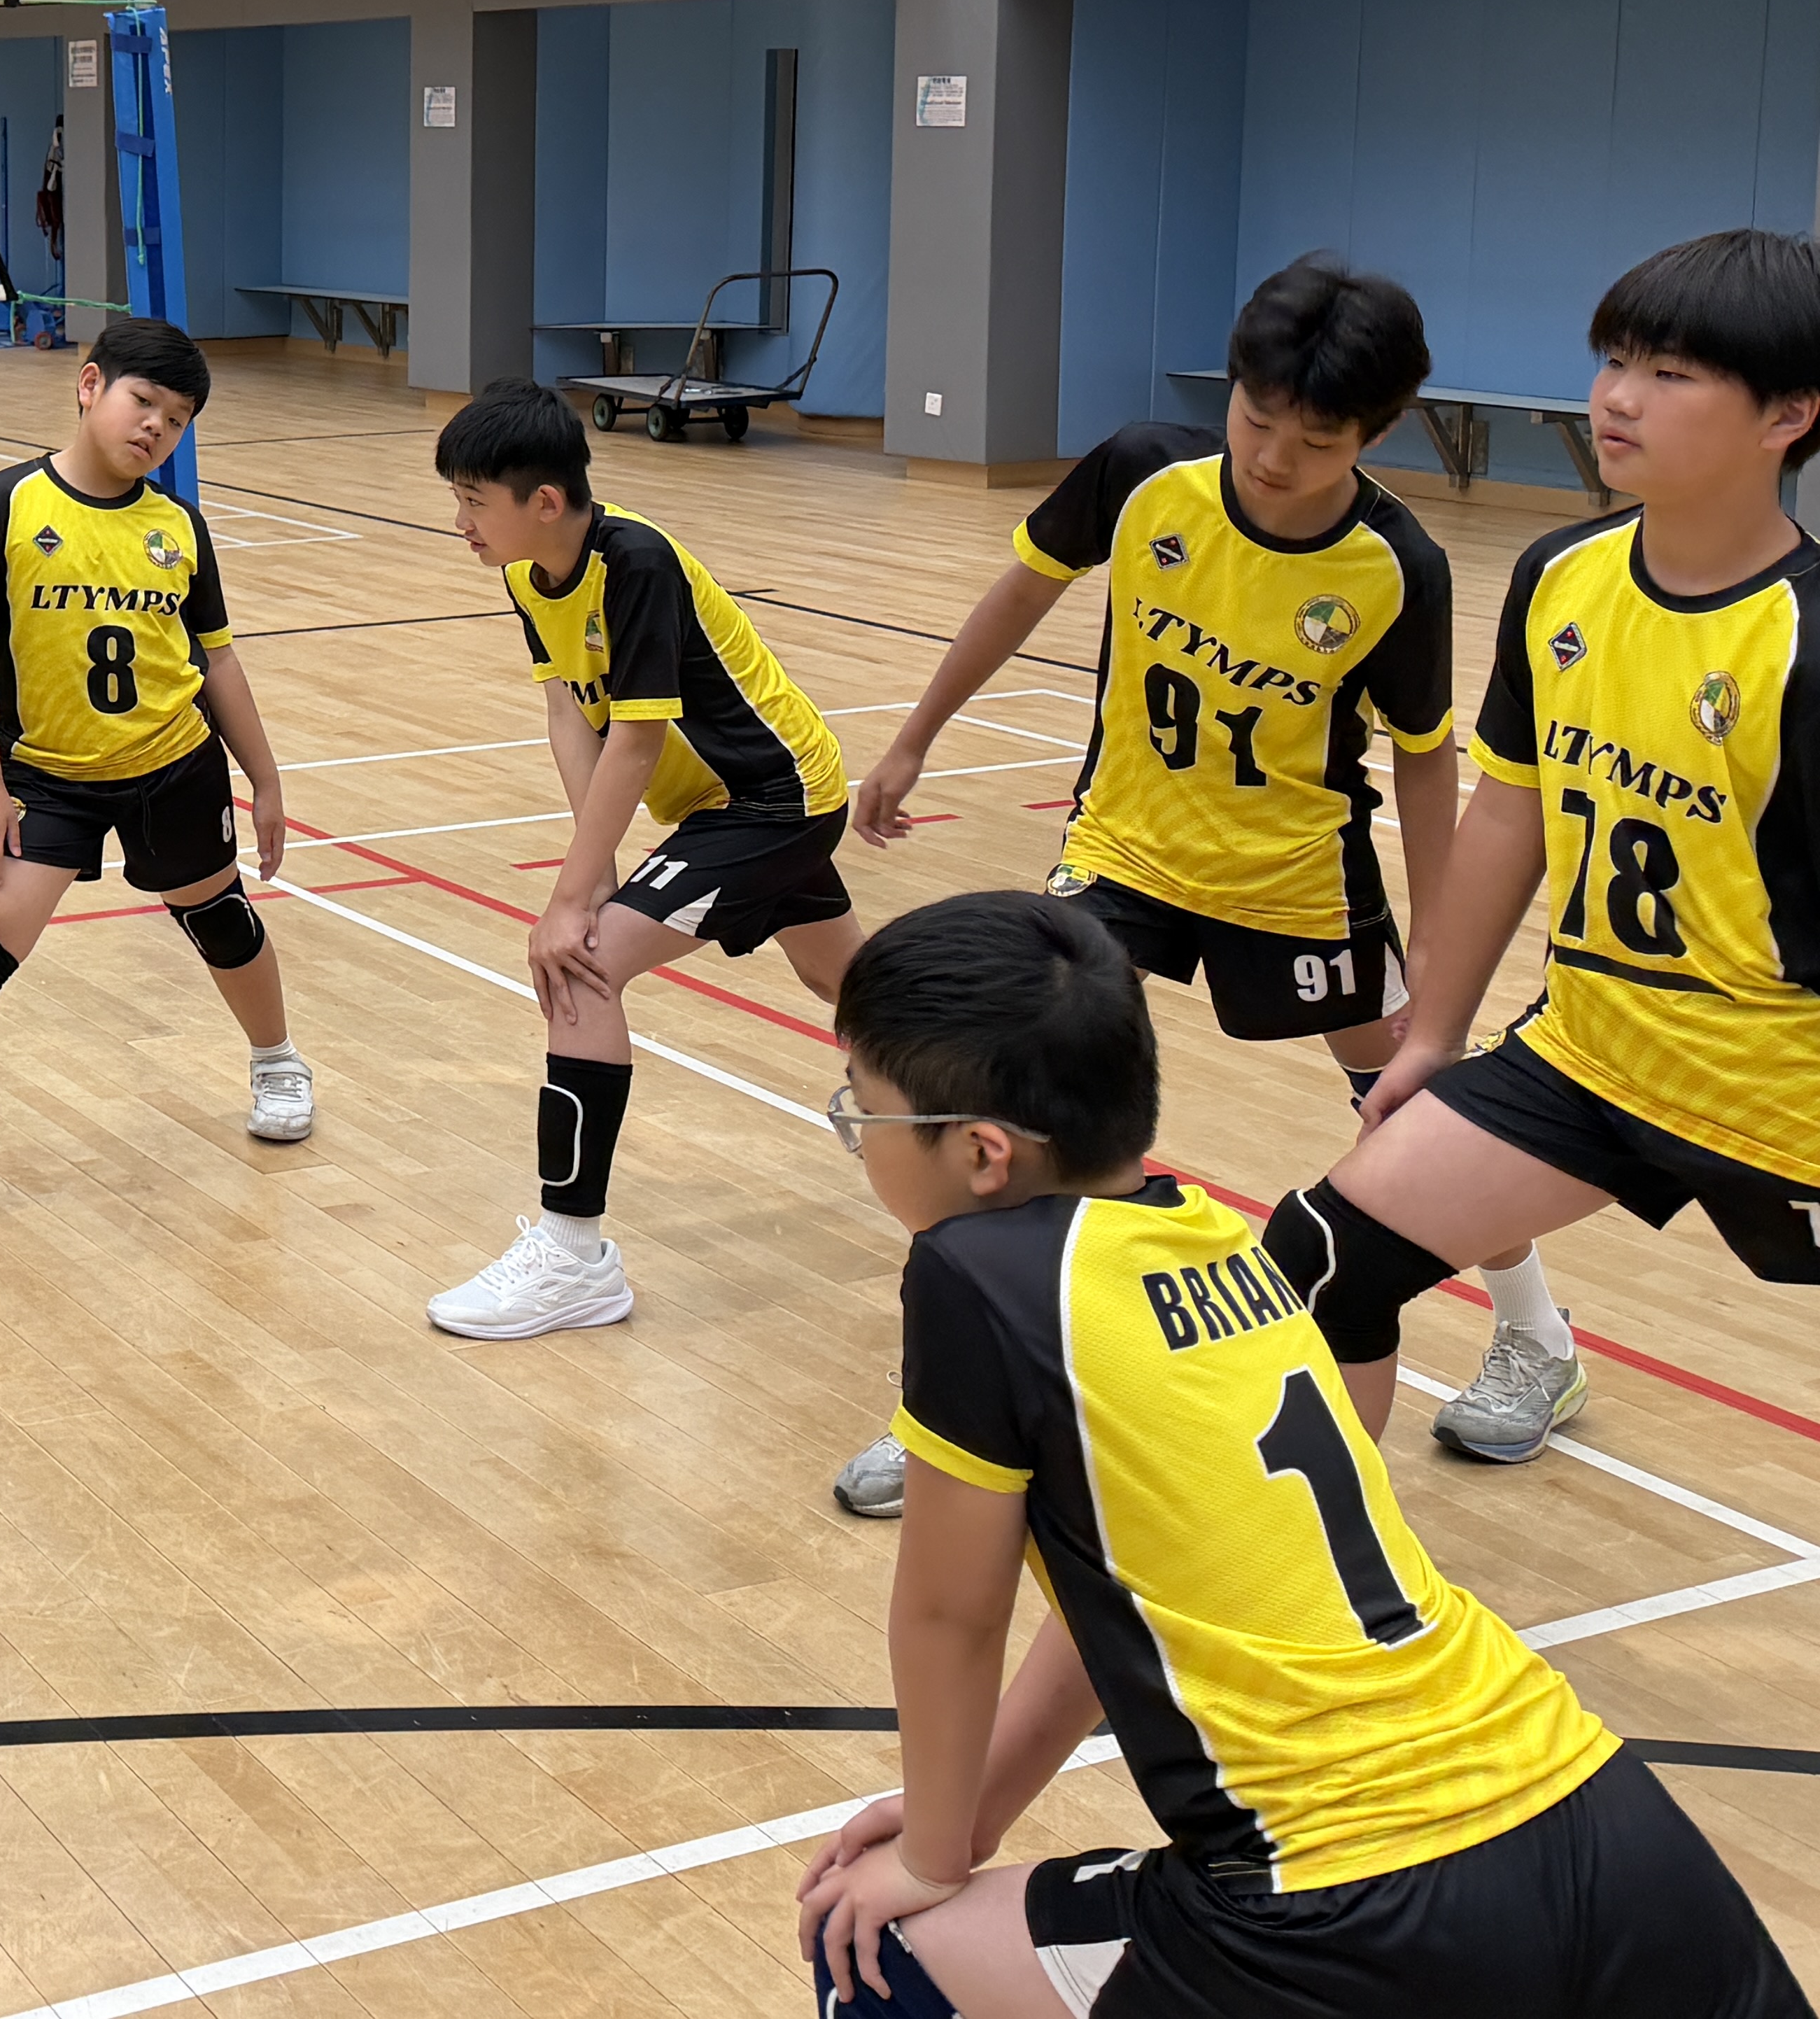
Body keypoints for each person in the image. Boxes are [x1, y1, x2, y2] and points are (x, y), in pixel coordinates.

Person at [796, 890, 1805, 2019]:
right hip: (1600, 1820)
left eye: (864, 1110)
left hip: (1345, 1900)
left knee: (874, 1946)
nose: (858, 1135)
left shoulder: (974, 1272)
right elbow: (1122, 1608)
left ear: (983, 1152)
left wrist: (934, 1854)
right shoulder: (1217, 1240)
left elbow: (951, 1611)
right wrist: (977, 1811)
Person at [835, 257, 1576, 1519]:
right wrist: (913, 737)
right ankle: (984, 1399)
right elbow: (1023, 588)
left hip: (1299, 878)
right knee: (1019, 1095)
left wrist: (1441, 957)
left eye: (1317, 439)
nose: (1274, 456)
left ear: (1378, 431)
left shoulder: (1397, 564)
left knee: (1414, 1113)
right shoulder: (1142, 473)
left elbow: (1422, 757)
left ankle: (1537, 1337)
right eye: (1255, 416)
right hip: (1124, 852)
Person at [1268, 227, 1820, 1448]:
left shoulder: (1803, 640)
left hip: (1781, 1090)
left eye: (1670, 374)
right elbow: (1508, 807)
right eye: (1614, 359)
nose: (1617, 395)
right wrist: (1433, 1035)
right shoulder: (1560, 573)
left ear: (1787, 415)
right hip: (1593, 1053)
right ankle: (1333, 1564)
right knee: (1321, 1261)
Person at [0, 315, 310, 1250]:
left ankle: (277, 1060)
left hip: (173, 763)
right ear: (90, 387)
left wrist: (267, 777)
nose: (155, 427)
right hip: (46, 777)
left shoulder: (177, 527)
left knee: (218, 916)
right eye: (143, 402)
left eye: (177, 419)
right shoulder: (3, 506)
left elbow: (216, 660)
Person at [431, 379, 857, 1338]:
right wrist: (599, 868)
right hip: (719, 808)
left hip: (774, 798)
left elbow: (636, 738)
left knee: (580, 968)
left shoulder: (638, 564)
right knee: (856, 993)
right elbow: (568, 713)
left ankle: (573, 1257)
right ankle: (998, 1117)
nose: (461, 522)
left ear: (545, 502)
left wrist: (571, 902)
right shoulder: (528, 574)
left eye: (473, 502)